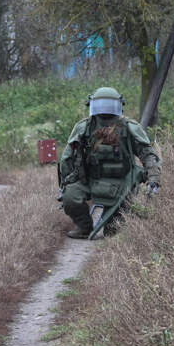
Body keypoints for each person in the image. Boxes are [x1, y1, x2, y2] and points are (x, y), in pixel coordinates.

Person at [59, 87, 161, 239]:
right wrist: (65, 184)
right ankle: (83, 226)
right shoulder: (84, 127)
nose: (104, 110)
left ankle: (113, 228)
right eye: (100, 105)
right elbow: (67, 157)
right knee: (70, 197)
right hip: (90, 180)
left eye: (108, 105)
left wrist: (153, 178)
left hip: (122, 183)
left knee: (112, 233)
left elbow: (148, 154)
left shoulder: (129, 128)